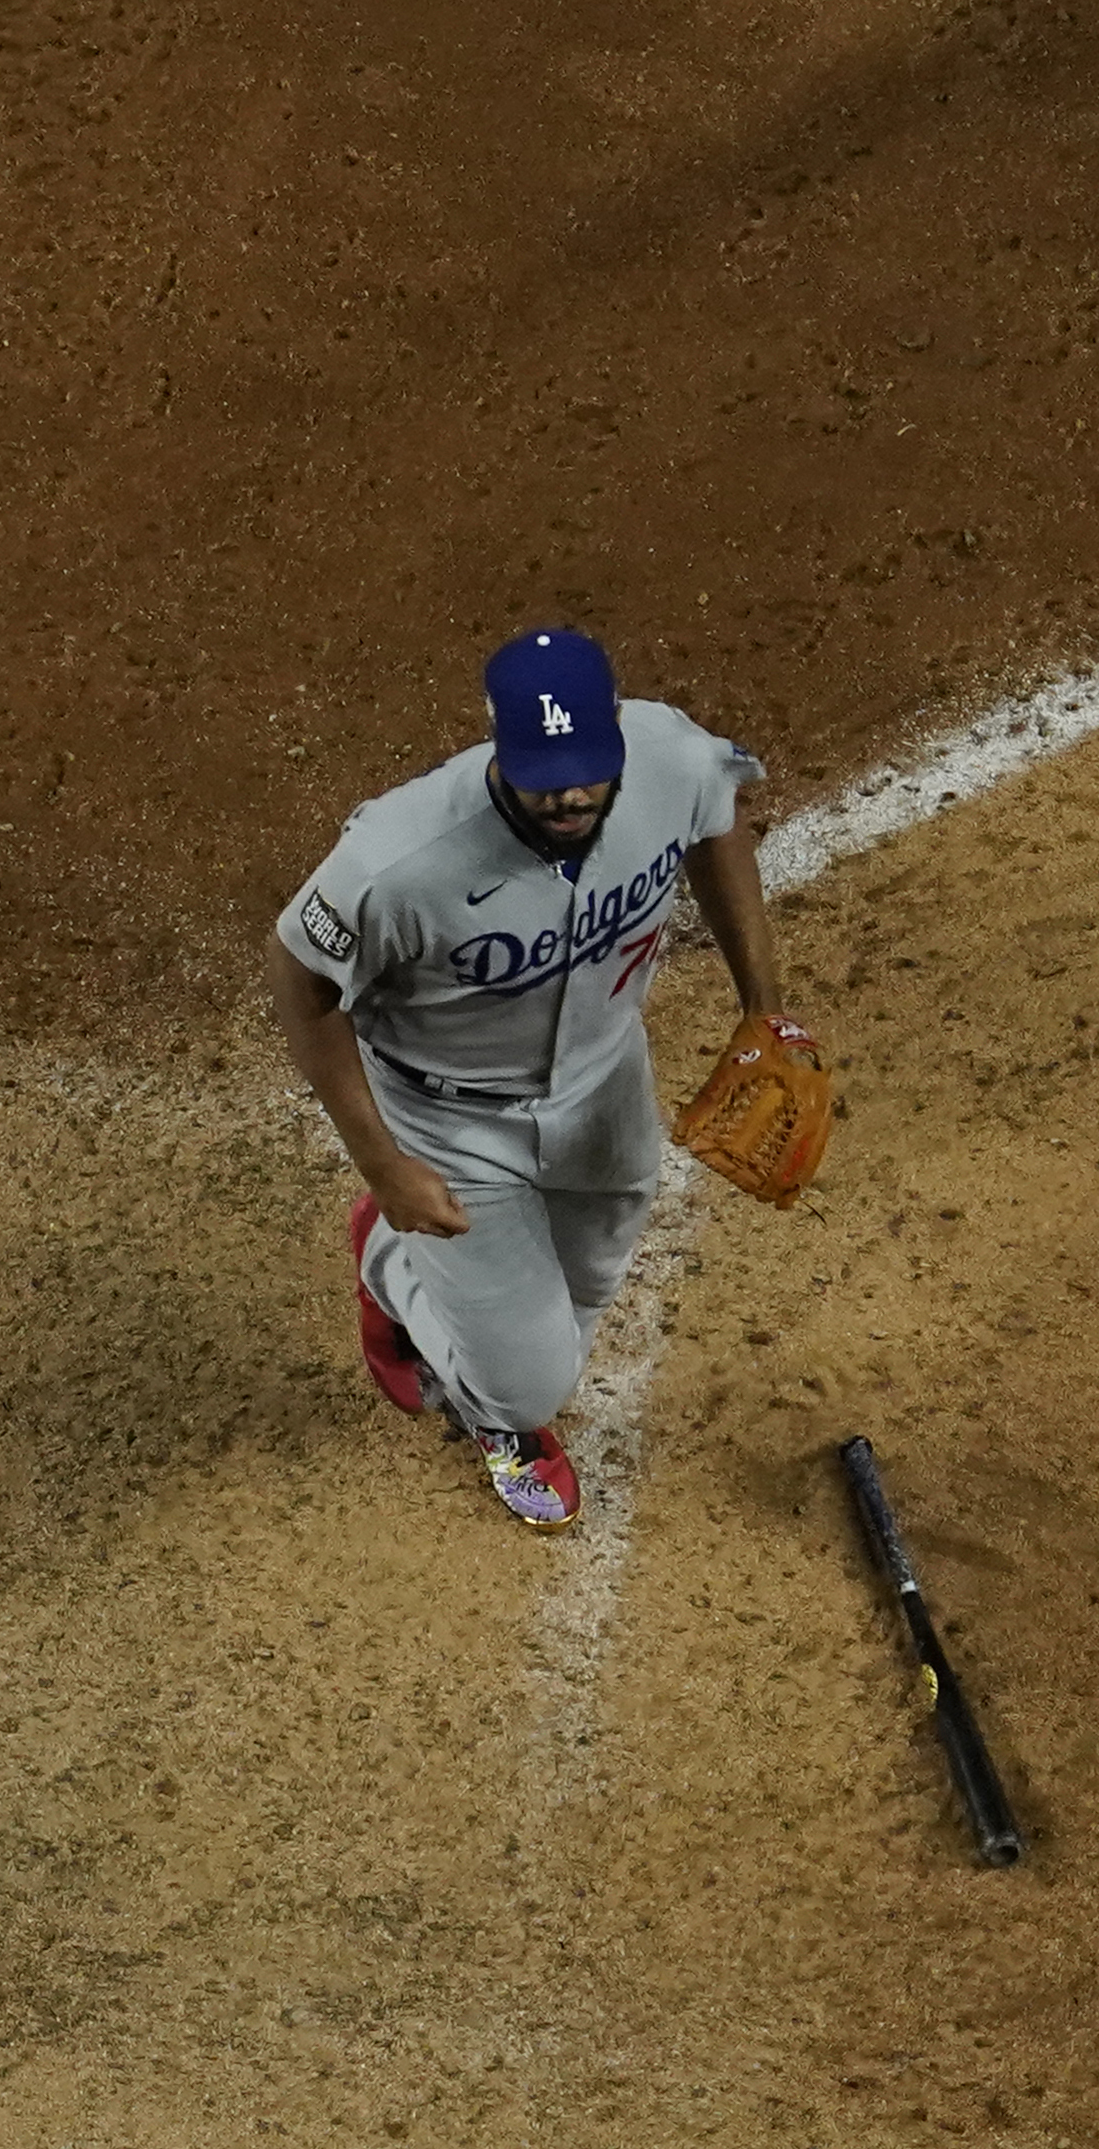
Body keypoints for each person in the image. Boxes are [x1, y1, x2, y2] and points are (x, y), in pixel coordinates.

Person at [270, 629, 800, 1531]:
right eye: (543, 772)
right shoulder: (395, 864)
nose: (569, 794)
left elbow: (717, 828)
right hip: (449, 1124)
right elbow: (300, 987)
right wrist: (383, 1165)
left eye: (589, 767)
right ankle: (413, 1298)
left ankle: (443, 1297)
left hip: (605, 1082)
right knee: (528, 1386)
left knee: (586, 1284)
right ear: (496, 745)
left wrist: (764, 1003)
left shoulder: (669, 755)